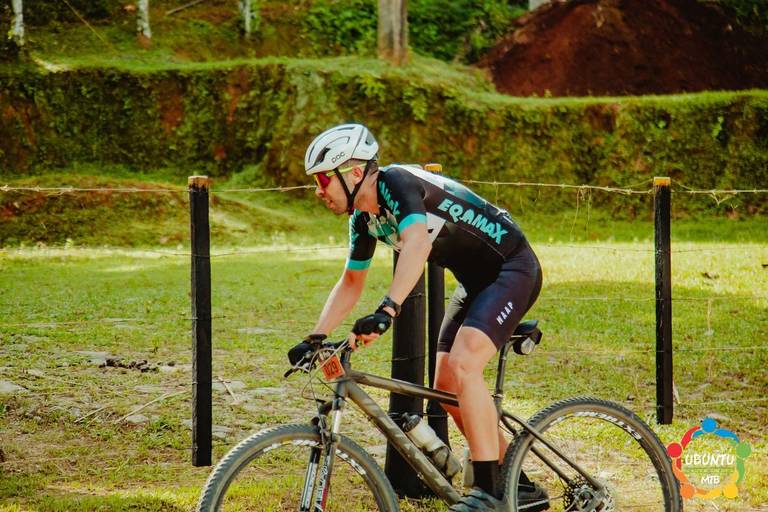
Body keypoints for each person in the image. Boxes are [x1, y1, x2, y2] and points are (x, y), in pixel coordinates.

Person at [289, 123, 547, 511]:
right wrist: (315, 336)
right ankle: (518, 484)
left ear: (355, 173)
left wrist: (388, 309)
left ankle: (490, 491)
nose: (318, 190)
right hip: (475, 283)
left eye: (324, 179)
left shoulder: (396, 183)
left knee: (464, 367)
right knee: (446, 385)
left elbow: (417, 243)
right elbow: (351, 281)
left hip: (512, 268)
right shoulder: (364, 218)